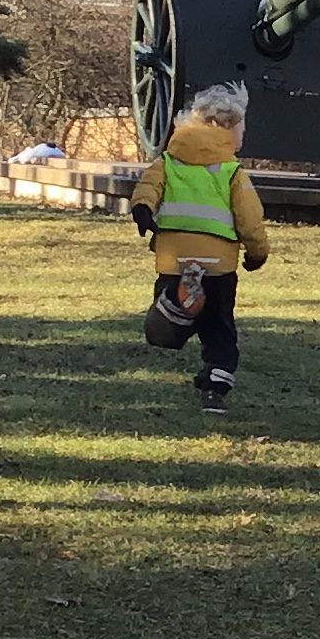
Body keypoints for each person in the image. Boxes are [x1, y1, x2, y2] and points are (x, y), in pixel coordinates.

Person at [127, 81, 271, 414]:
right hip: (218, 266)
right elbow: (250, 218)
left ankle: (174, 312)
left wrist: (142, 210)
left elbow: (147, 188)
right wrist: (257, 253)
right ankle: (215, 386)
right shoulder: (231, 171)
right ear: (228, 129)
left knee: (169, 326)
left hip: (174, 259)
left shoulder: (169, 161)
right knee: (219, 329)